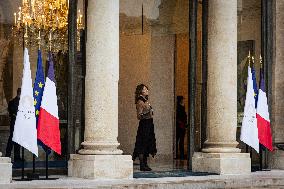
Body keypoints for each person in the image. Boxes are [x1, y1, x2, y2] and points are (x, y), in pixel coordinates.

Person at [133, 84, 157, 171]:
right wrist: (147, 113)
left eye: (147, 89)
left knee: (147, 143)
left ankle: (145, 164)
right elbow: (139, 116)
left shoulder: (145, 100)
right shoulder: (140, 101)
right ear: (141, 91)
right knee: (142, 144)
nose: (147, 90)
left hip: (149, 124)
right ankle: (142, 165)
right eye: (145, 89)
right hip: (144, 125)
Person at [5, 88, 22, 161]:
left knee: (18, 140)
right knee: (12, 139)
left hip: (18, 123)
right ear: (19, 93)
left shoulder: (22, 102)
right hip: (14, 123)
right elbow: (11, 112)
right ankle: (7, 156)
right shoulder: (12, 102)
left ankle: (17, 157)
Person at [176, 96, 187, 160]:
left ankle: (181, 155)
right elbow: (178, 118)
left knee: (181, 141)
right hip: (179, 126)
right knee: (179, 141)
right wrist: (181, 124)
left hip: (182, 126)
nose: (184, 101)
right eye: (183, 99)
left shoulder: (182, 107)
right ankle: (180, 155)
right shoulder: (179, 108)